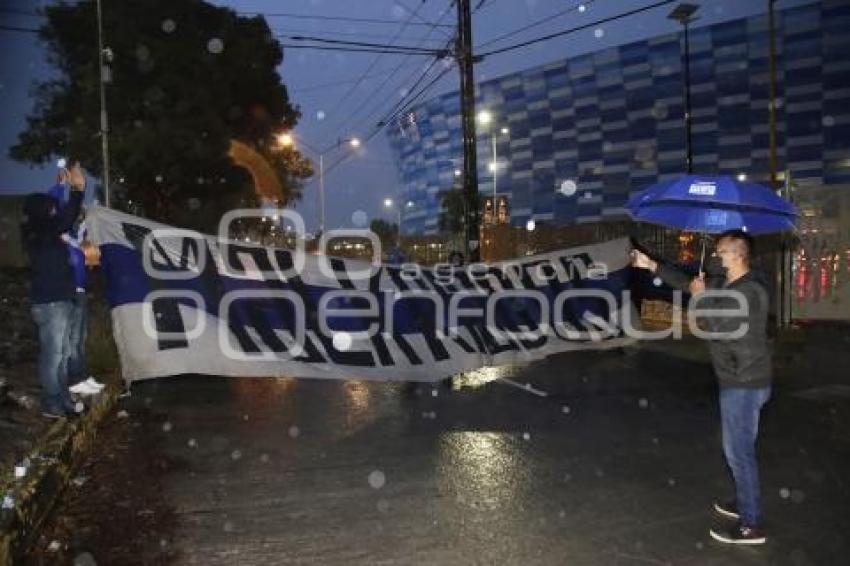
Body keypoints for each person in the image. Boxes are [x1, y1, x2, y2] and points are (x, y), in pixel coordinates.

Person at [631, 230, 772, 545]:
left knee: (739, 453)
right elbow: (688, 282)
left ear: (737, 254)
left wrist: (701, 297)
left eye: (720, 252)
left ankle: (752, 526)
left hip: (744, 382)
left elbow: (720, 326)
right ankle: (745, 503)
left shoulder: (750, 291)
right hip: (740, 379)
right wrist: (651, 265)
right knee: (739, 449)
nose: (715, 257)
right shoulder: (729, 283)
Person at [21, 163, 87, 418]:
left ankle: (62, 398)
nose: (53, 211)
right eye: (48, 208)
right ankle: (51, 402)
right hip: (50, 303)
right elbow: (65, 215)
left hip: (62, 299)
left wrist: (62, 185)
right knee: (54, 355)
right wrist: (77, 190)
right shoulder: (39, 232)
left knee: (61, 355)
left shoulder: (45, 231)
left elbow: (60, 214)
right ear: (39, 212)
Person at [48, 185, 105, 397]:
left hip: (80, 291)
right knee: (72, 340)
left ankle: (82, 376)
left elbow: (83, 233)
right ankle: (74, 380)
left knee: (79, 338)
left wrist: (94, 212)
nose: (77, 216)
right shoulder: (60, 235)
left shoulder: (74, 235)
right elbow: (53, 202)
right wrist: (60, 186)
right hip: (69, 291)